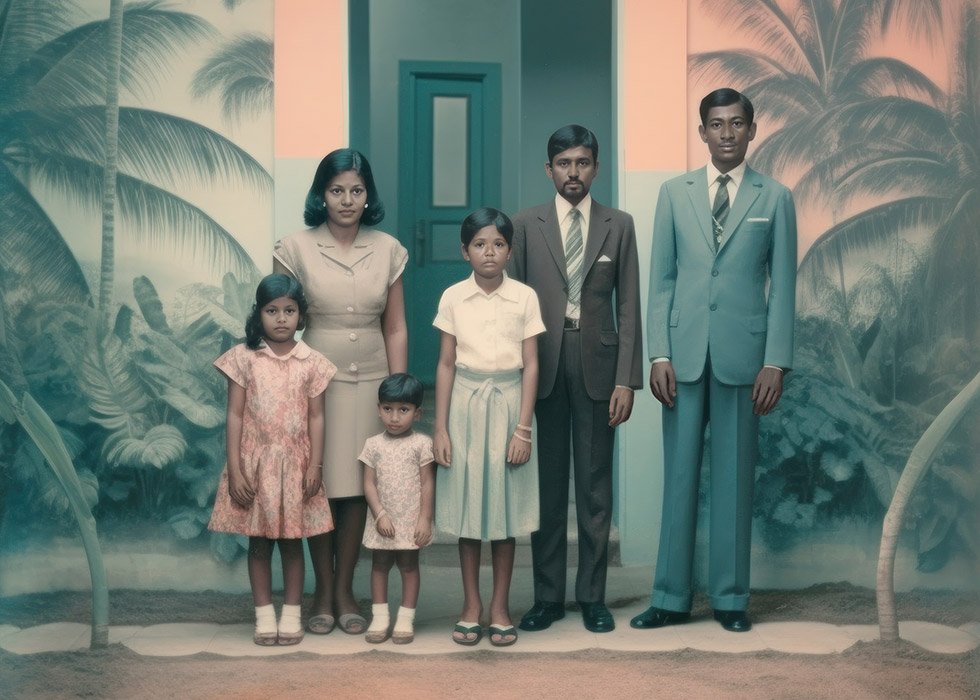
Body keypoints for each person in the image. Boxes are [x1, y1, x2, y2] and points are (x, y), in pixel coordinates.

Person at [632, 88, 797, 633]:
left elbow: (784, 288)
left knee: (733, 479)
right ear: (701, 132)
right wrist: (658, 351)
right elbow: (661, 281)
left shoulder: (774, 198)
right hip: (680, 356)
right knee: (678, 478)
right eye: (716, 125)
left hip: (744, 358)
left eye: (737, 124)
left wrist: (775, 361)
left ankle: (730, 599)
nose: (727, 133)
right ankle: (669, 597)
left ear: (752, 130)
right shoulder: (672, 193)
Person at [510, 125, 642, 634]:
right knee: (545, 488)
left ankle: (592, 596)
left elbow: (627, 305)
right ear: (549, 170)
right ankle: (546, 597)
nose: (573, 172)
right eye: (564, 164)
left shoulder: (619, 224)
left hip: (598, 367)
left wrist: (626, 380)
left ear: (596, 167)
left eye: (583, 163)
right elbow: (514, 305)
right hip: (540, 363)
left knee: (593, 485)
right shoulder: (525, 224)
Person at [273, 149, 408, 635]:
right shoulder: (294, 247)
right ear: (321, 194)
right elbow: (279, 321)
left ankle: (346, 589)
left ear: (367, 194)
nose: (347, 200)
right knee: (322, 487)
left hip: (371, 380)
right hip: (314, 382)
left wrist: (398, 389)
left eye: (356, 190)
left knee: (357, 488)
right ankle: (321, 591)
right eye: (336, 190)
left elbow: (394, 326)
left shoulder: (389, 248)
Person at [433, 207, 546, 647]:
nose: (489, 252)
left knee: (504, 511)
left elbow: (532, 365)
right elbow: (445, 363)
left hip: (509, 405)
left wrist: (523, 429)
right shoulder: (452, 297)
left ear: (510, 250)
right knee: (469, 511)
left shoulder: (524, 297)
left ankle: (499, 606)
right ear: (465, 252)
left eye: (498, 244)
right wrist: (440, 428)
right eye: (479, 244)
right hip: (465, 404)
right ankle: (470, 605)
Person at [209, 274, 338, 646]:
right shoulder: (243, 358)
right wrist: (235, 468)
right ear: (259, 313)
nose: (281, 318)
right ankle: (264, 618)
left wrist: (315, 465)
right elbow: (234, 414)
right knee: (260, 544)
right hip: (255, 465)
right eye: (272, 310)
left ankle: (292, 617)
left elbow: (316, 417)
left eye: (289, 310)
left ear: (301, 315)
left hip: (296, 468)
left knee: (293, 544)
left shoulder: (312, 362)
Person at [360, 373, 435, 645]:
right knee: (379, 565)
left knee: (408, 565)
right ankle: (380, 618)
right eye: (387, 409)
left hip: (410, 519)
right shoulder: (373, 445)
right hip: (384, 519)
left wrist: (424, 520)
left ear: (417, 413)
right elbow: (368, 484)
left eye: (403, 410)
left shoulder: (422, 444)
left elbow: (428, 483)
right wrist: (380, 514)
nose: (394, 417)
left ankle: (405, 619)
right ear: (379, 408)